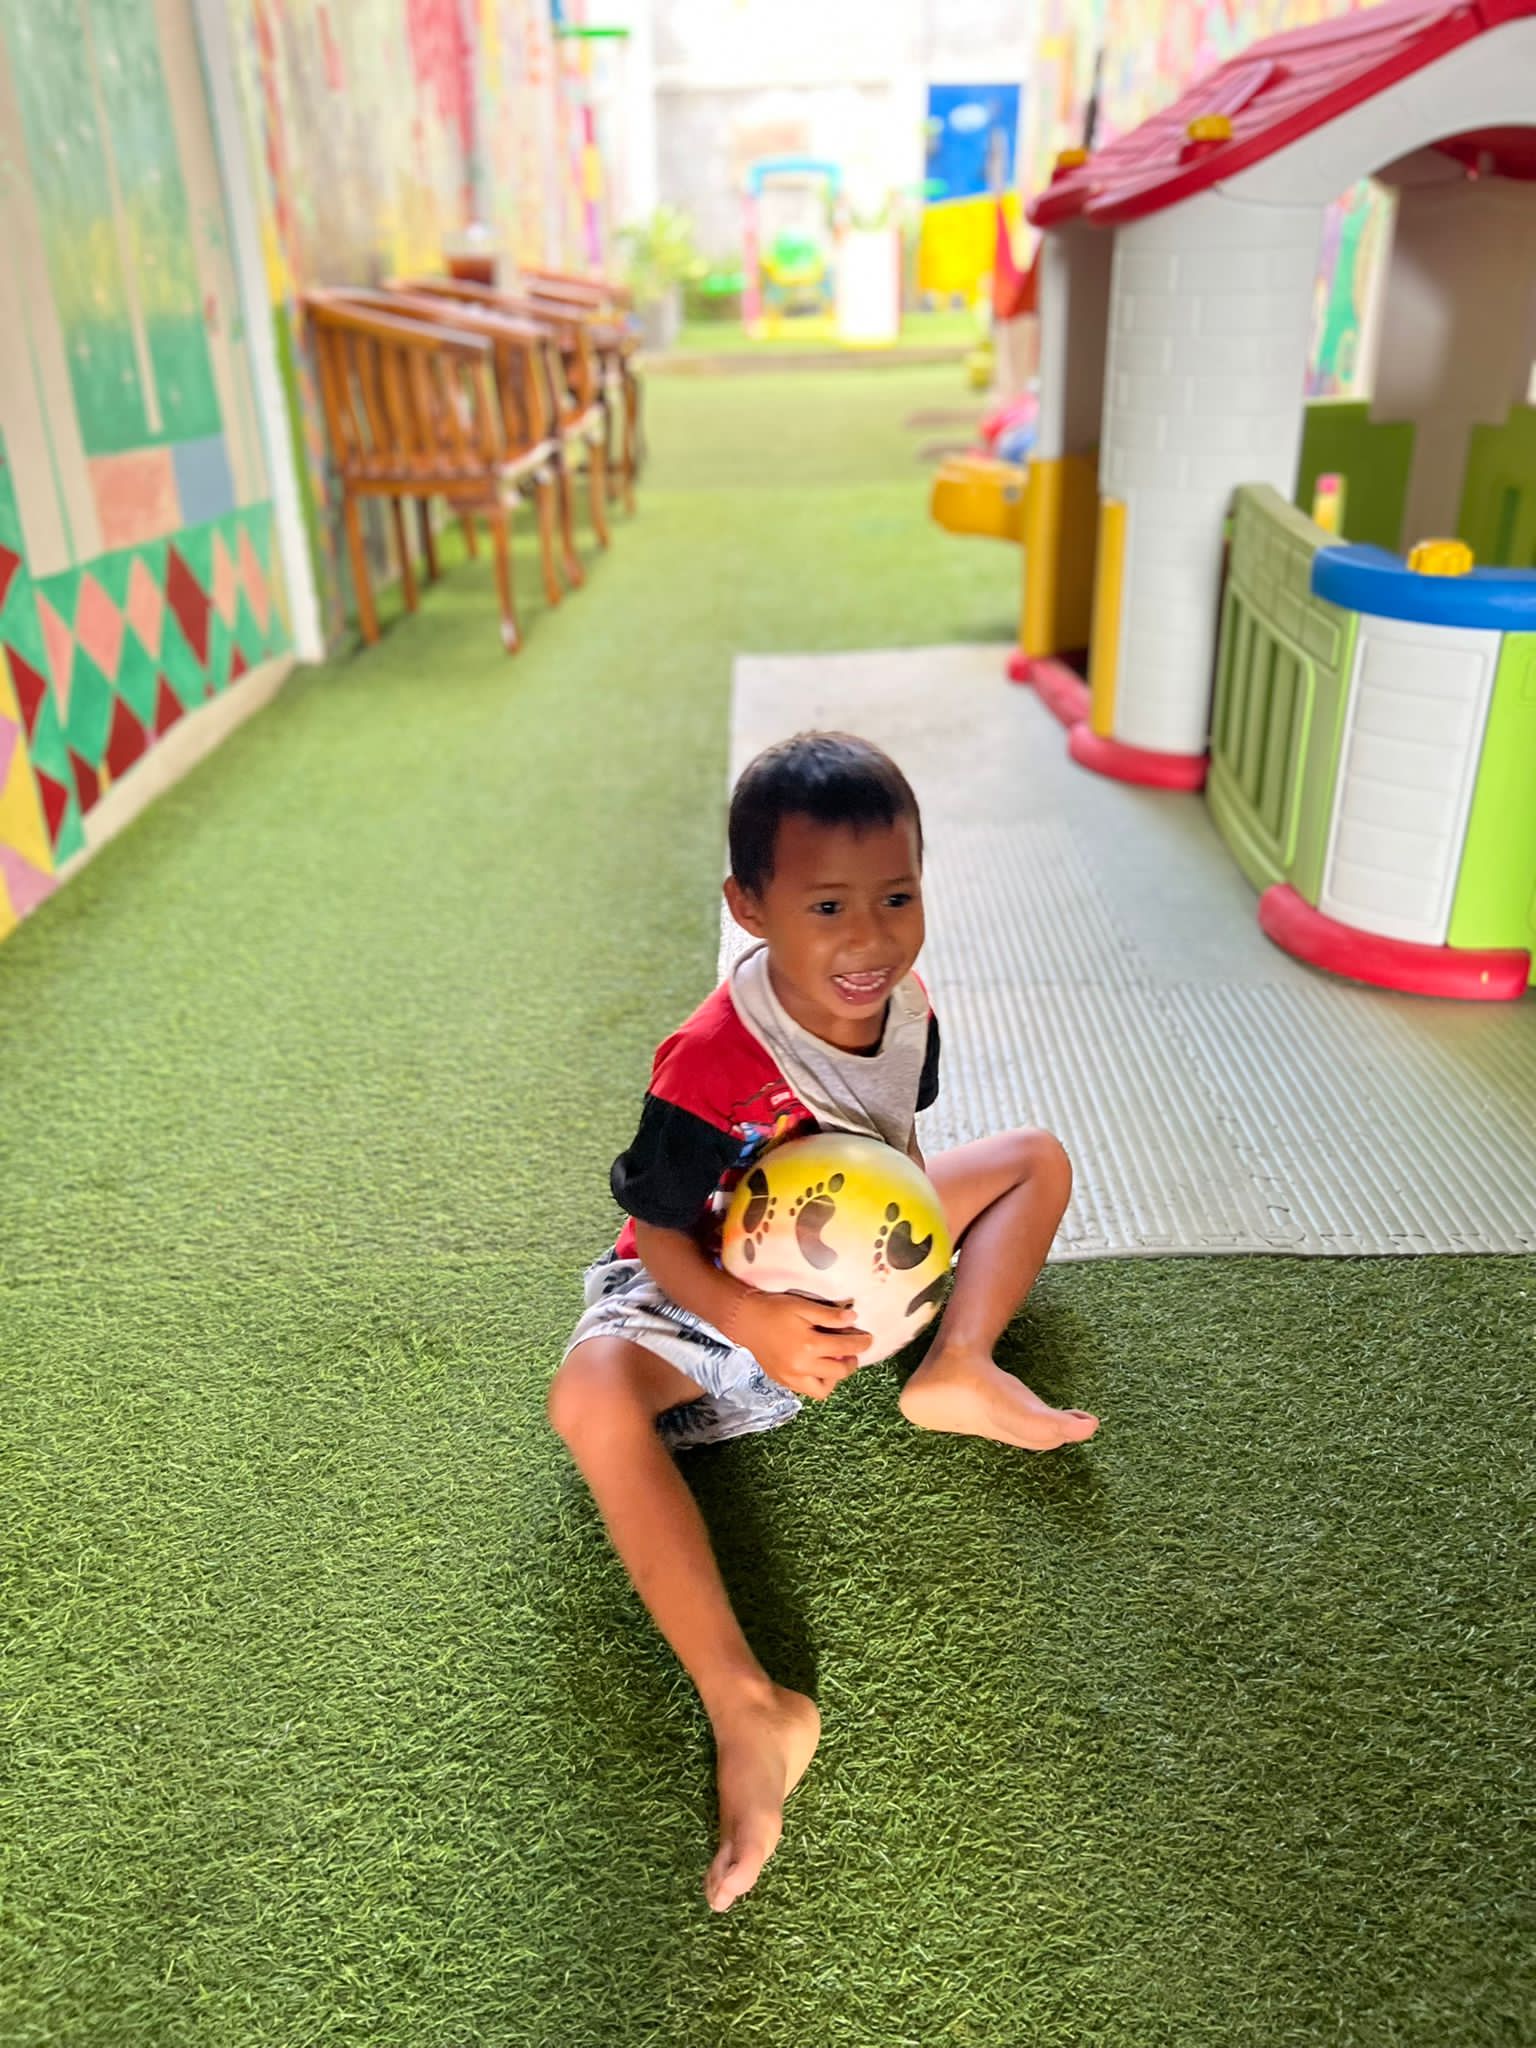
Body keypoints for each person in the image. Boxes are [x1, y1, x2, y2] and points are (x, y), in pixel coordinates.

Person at [547, 731, 1099, 1913]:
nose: (870, 939)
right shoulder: (707, 1063)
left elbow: (889, 1158)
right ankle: (748, 1705)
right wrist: (757, 1317)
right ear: (749, 907)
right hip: (710, 1284)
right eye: (829, 905)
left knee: (1036, 1157)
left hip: (856, 1268)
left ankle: (958, 1365)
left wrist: (890, 1289)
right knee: (586, 1394)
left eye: (898, 896)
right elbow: (655, 1235)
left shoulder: (907, 1006)